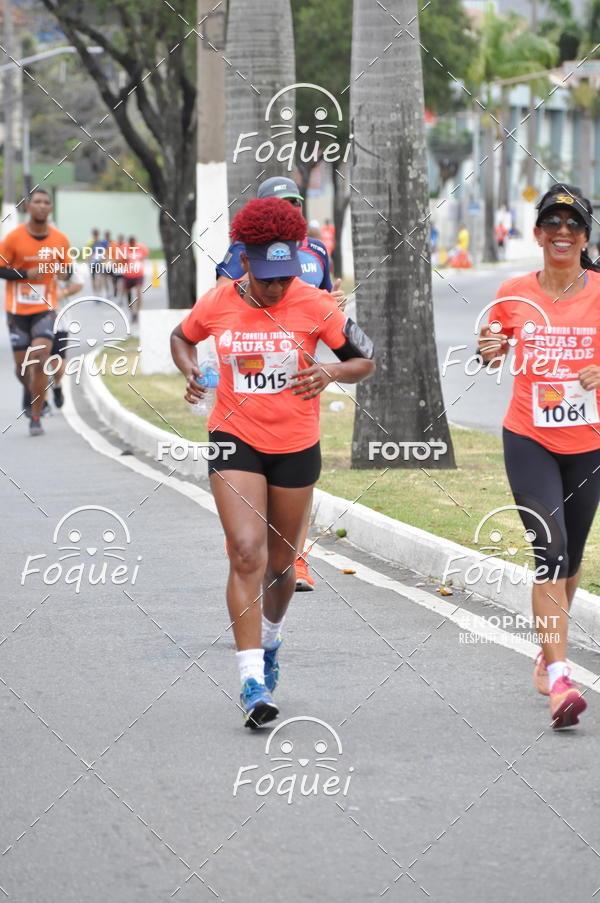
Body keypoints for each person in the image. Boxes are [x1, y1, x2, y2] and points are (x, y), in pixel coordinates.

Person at [171, 197, 375, 728]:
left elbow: (364, 358)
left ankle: (271, 640)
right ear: (245, 263)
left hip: (295, 445)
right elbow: (182, 337)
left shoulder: (315, 303)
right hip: (234, 438)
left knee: (282, 565)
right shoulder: (218, 301)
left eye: (286, 277)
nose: (278, 287)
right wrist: (191, 370)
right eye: (267, 279)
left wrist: (331, 373)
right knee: (246, 553)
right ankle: (250, 679)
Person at [478, 183, 600, 729]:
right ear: (537, 233)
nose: (562, 232)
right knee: (550, 550)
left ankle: (547, 648)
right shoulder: (513, 292)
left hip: (589, 443)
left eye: (573, 225)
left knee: (571, 558)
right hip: (529, 437)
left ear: (585, 238)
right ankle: (560, 677)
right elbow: (491, 348)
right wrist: (489, 349)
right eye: (552, 223)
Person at [216, 176, 345, 591]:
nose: (291, 209)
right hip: (249, 383)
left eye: (295, 202)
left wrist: (333, 306)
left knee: (299, 481)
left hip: (299, 385)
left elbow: (323, 305)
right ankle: (243, 541)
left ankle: (296, 560)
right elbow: (224, 298)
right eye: (281, 203)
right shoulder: (242, 251)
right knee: (248, 473)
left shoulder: (317, 250)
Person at [0, 188, 72, 435]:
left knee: (40, 359)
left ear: (50, 208)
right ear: (28, 206)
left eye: (46, 202)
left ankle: (36, 416)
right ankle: (31, 387)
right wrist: (24, 274)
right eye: (37, 202)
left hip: (45, 307)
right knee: (23, 368)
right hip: (17, 309)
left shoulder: (60, 239)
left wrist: (65, 273)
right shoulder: (13, 238)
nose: (42, 206)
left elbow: (68, 270)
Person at [48, 261, 86, 408]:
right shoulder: (28, 257)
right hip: (33, 318)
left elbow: (79, 283)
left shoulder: (64, 258)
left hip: (59, 319)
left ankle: (57, 385)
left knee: (58, 364)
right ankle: (41, 399)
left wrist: (61, 292)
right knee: (38, 361)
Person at [123, 236, 148, 325]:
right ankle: (132, 313)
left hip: (139, 274)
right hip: (128, 275)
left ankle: (137, 313)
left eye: (133, 242)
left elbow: (145, 256)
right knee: (128, 295)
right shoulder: (124, 249)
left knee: (138, 293)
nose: (132, 244)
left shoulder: (141, 248)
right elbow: (120, 260)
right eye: (131, 243)